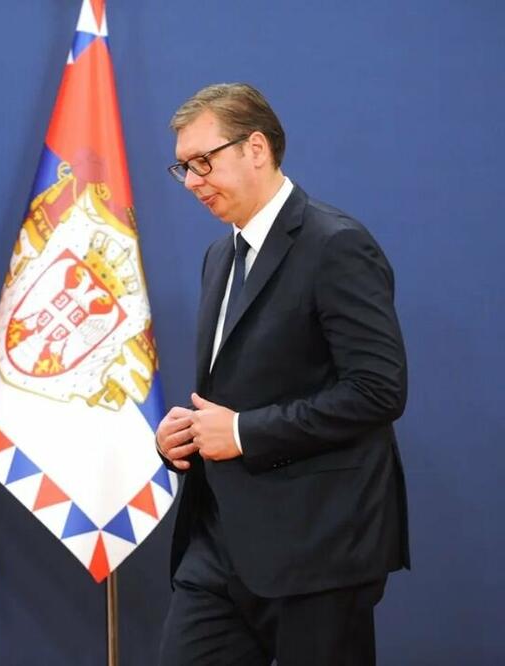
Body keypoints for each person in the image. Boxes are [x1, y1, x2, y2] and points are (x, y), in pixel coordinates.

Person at [155, 83, 409, 665]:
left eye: (202, 161)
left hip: (318, 549)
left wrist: (243, 432)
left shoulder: (336, 244)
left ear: (256, 148)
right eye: (183, 167)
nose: (191, 181)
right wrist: (186, 435)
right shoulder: (219, 257)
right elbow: (238, 389)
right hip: (218, 547)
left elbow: (378, 390)